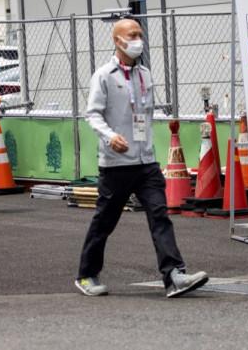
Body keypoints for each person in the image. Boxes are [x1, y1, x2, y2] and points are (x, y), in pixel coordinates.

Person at [75, 17, 209, 298]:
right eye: (132, 34)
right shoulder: (104, 76)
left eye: (140, 34)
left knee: (160, 215)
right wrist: (110, 136)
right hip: (115, 164)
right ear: (117, 40)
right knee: (105, 221)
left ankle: (174, 275)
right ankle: (87, 274)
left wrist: (148, 147)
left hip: (146, 162)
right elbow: (93, 114)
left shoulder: (145, 74)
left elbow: (145, 116)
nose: (138, 39)